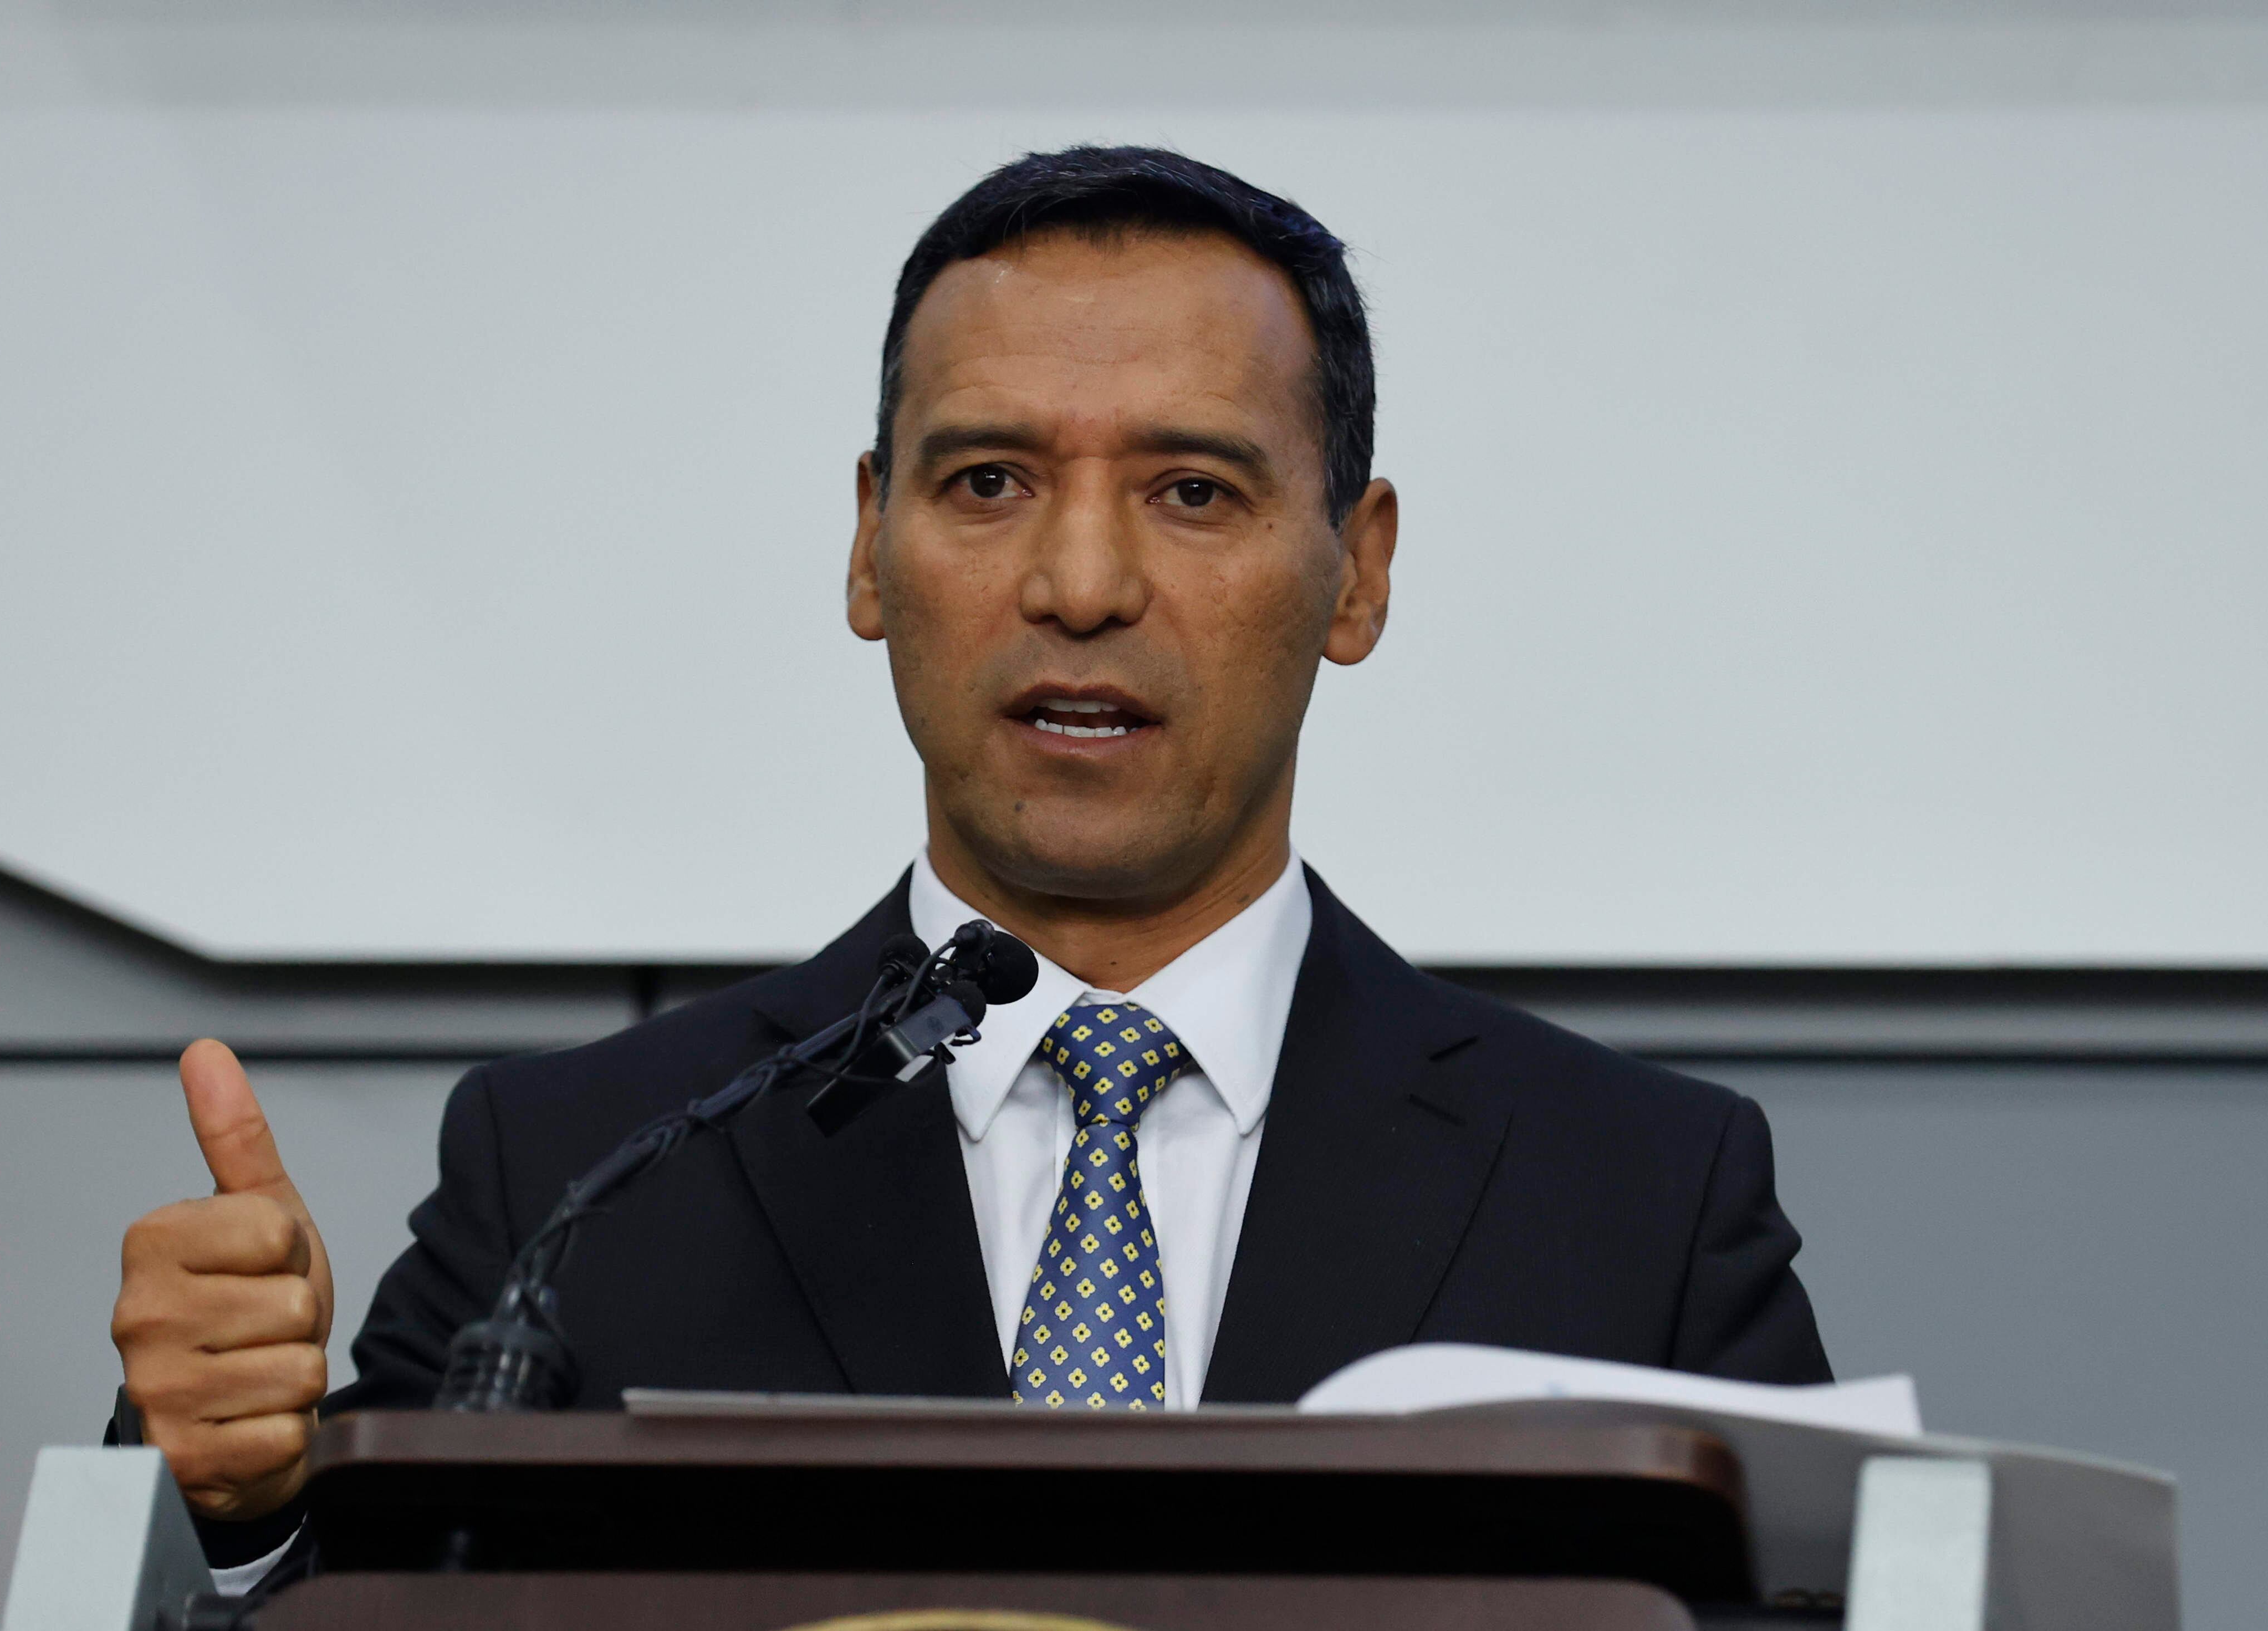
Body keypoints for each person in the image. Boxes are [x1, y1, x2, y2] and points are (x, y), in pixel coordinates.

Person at [109, 145, 1830, 1588]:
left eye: (1194, 492)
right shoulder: (580, 1179)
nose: (1079, 582)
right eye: (990, 479)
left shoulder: (1637, 1199)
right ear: (871, 546)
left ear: (1356, 571)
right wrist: (238, 1508)